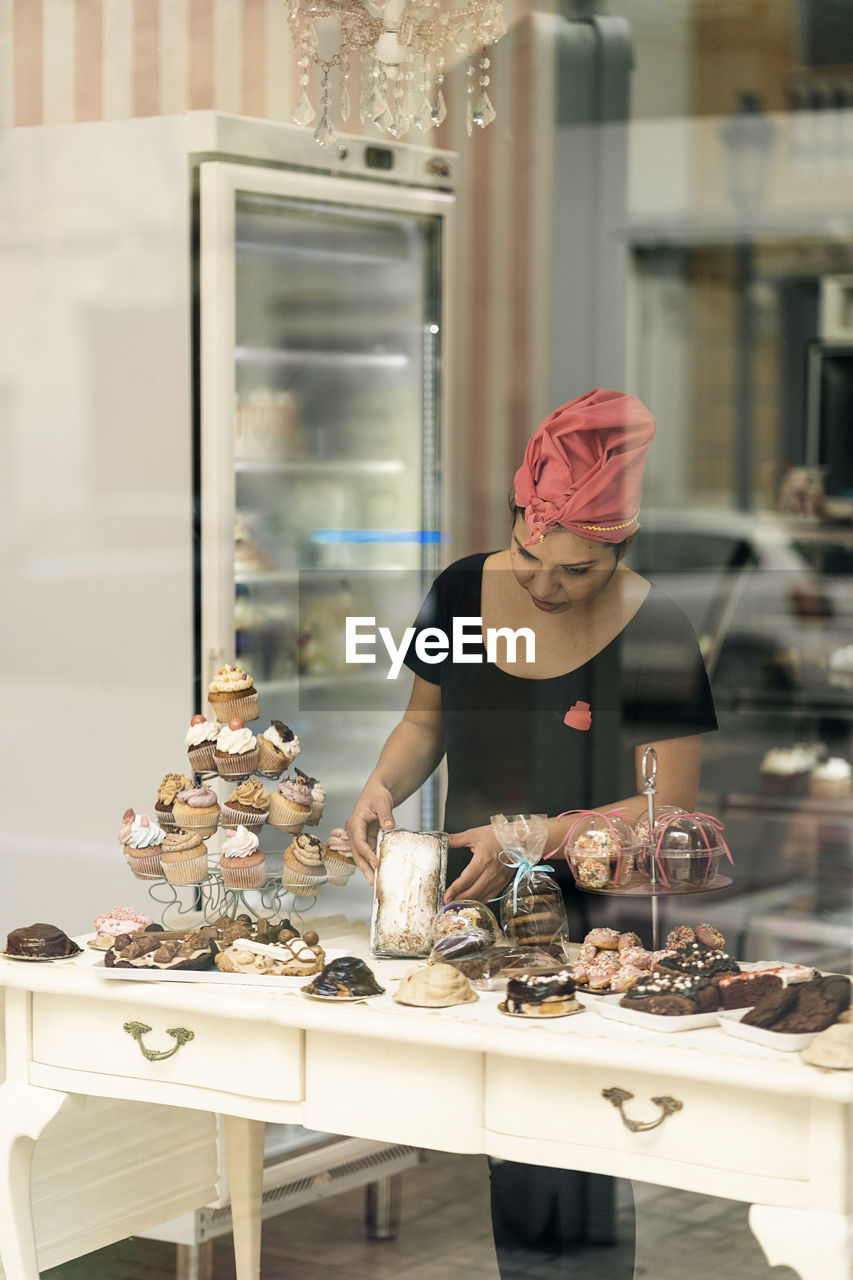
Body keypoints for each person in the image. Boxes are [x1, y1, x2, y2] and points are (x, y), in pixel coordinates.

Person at [346, 388, 717, 1278]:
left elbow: (667, 800)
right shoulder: (460, 591)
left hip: (600, 928)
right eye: (530, 558)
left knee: (580, 1143)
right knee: (510, 1138)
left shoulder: (655, 628)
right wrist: (380, 785)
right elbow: (425, 723)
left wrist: (532, 835)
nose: (547, 587)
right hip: (475, 916)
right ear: (515, 517)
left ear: (618, 548)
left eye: (577, 573)